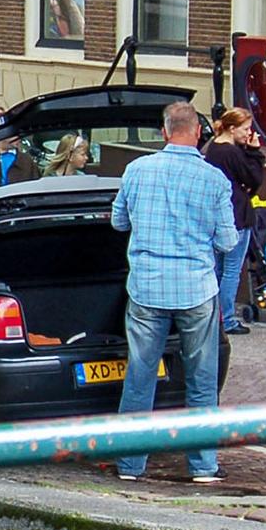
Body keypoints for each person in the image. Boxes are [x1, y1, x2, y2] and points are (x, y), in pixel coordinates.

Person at [109, 101, 236, 483]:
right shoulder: (215, 179)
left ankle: (130, 465)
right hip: (196, 289)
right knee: (201, 379)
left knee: (140, 375)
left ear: (164, 132)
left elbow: (118, 222)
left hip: (147, 287)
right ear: (198, 132)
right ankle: (203, 465)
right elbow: (228, 241)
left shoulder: (136, 170)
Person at [203, 108, 266, 335]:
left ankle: (214, 317)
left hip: (217, 216)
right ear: (232, 128)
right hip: (237, 215)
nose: (249, 133)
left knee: (218, 269)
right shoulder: (232, 152)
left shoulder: (213, 148)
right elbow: (253, 177)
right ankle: (227, 319)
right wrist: (255, 152)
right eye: (245, 129)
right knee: (231, 270)